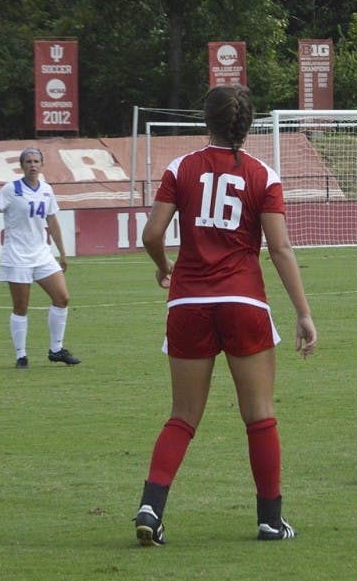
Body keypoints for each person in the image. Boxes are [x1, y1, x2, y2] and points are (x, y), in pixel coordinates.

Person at [134, 85, 318, 546]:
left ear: (207, 121)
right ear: (247, 125)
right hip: (243, 302)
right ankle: (270, 521)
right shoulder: (263, 176)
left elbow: (152, 233)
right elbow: (279, 248)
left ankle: (150, 509)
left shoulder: (182, 168)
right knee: (259, 416)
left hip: (188, 303)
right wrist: (303, 313)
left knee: (182, 416)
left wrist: (163, 267)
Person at [0, 147, 81, 368]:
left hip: (42, 254)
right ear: (22, 165)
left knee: (62, 298)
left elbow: (52, 221)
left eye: (36, 161)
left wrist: (62, 253)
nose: (33, 165)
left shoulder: (47, 190)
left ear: (42, 165)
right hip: (17, 256)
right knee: (21, 307)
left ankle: (56, 350)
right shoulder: (10, 189)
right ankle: (21, 355)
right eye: (28, 161)